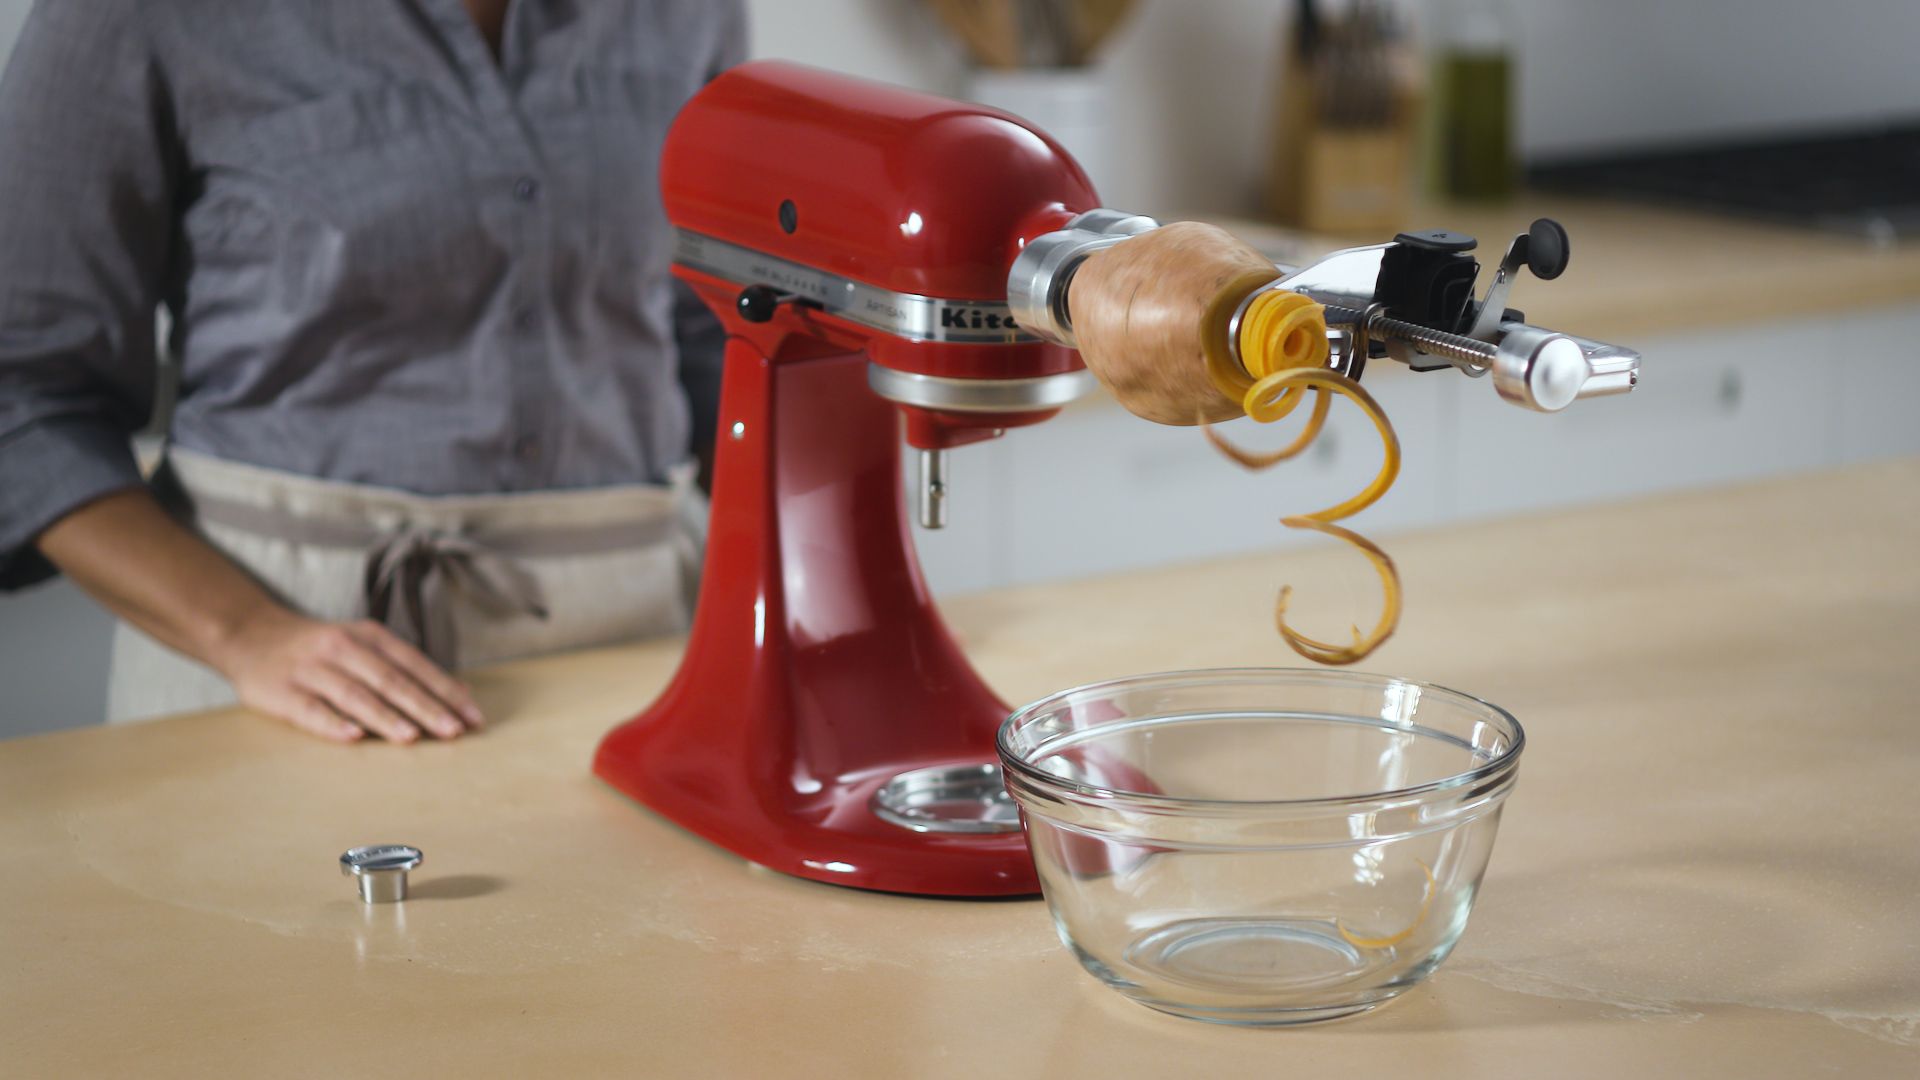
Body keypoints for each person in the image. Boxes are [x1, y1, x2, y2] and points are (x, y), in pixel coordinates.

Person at [0, 1, 744, 742]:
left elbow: (713, 339)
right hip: (283, 662)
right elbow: (24, 395)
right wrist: (247, 633)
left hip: (635, 635)